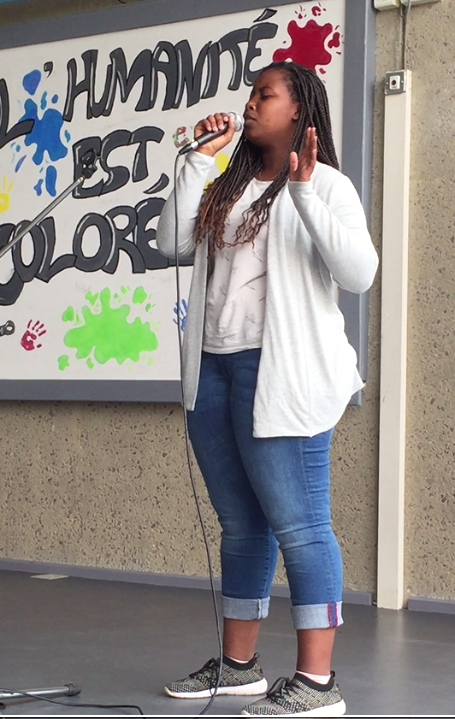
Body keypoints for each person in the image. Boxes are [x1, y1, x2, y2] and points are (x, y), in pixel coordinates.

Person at [156, 60, 378, 717]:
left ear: (298, 109)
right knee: (241, 525)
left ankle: (317, 683)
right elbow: (170, 243)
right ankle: (239, 666)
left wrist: (304, 193)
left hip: (282, 373)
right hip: (214, 369)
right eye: (250, 94)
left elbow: (359, 273)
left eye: (264, 95)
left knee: (302, 526)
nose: (249, 104)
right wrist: (197, 161)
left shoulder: (326, 184)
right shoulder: (226, 185)